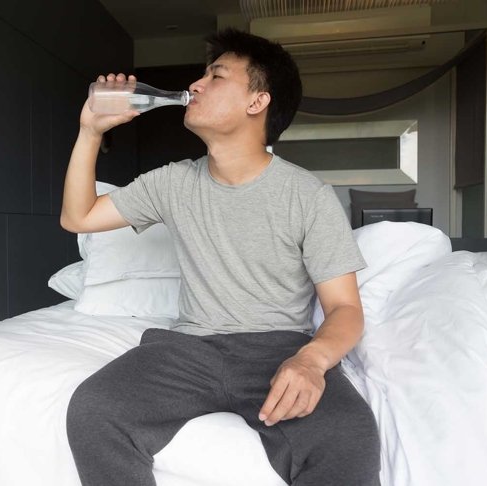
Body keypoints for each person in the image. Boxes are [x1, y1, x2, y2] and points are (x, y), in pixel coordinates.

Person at [60, 28, 380, 486]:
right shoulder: (172, 183)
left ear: (257, 102)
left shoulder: (308, 195)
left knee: (349, 436)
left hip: (278, 349)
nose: (195, 85)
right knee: (95, 408)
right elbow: (79, 217)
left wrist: (311, 361)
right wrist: (89, 130)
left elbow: (345, 309)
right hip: (187, 350)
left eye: (216, 76)